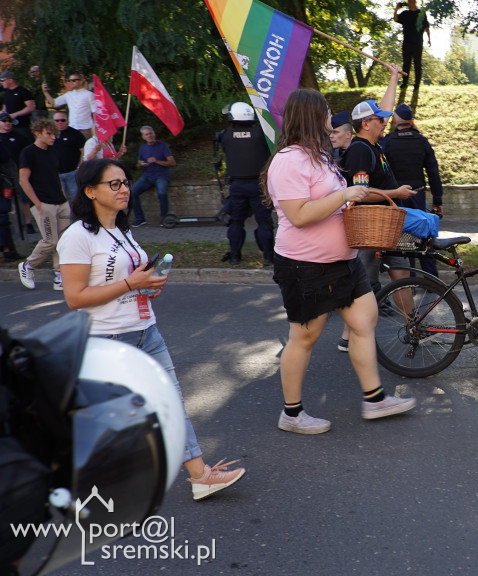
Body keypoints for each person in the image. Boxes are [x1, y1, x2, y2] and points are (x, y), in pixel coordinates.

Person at [56, 158, 246, 500]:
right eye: (114, 184)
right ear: (89, 191)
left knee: (169, 404)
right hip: (109, 339)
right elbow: (75, 297)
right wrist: (131, 283)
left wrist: (146, 286)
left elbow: (127, 280)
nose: (125, 188)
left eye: (126, 182)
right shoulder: (77, 237)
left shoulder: (123, 229)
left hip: (146, 330)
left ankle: (200, 476)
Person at [263, 88, 416, 434]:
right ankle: (291, 414)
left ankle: (375, 400)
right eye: (327, 113)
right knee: (304, 337)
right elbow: (299, 215)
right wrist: (343, 194)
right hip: (305, 266)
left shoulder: (319, 156)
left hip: (342, 260)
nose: (331, 120)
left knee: (365, 320)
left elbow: (328, 202)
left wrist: (346, 202)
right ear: (311, 117)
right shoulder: (289, 161)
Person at [339, 65, 416, 352]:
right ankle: (351, 338)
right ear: (365, 123)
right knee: (364, 283)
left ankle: (412, 326)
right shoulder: (360, 149)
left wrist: (394, 77)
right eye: (379, 120)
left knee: (401, 270)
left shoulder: (374, 144)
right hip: (370, 226)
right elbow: (359, 194)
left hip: (387, 223)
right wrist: (395, 193)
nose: (385, 122)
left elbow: (385, 107)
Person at [380, 102, 444, 277]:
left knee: (403, 240)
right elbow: (433, 172)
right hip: (418, 194)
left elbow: (382, 172)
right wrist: (437, 200)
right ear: (412, 120)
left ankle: (410, 281)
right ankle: (432, 279)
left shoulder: (388, 142)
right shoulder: (422, 141)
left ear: (395, 121)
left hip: (397, 197)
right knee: (424, 237)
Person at [216, 102, 274, 266]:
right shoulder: (260, 133)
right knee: (264, 222)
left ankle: (235, 256)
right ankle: (268, 257)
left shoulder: (226, 135)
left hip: (237, 186)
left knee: (235, 222)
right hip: (259, 186)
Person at [17, 118, 69, 291]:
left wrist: (63, 197)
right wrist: (37, 203)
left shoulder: (53, 152)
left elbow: (55, 176)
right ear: (37, 133)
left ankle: (59, 274)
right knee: (50, 241)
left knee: (63, 241)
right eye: (49, 134)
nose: (53, 137)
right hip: (43, 203)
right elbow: (23, 180)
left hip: (60, 202)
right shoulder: (29, 152)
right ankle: (28, 266)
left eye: (54, 133)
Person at [0, 112, 31, 259]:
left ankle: (9, 250)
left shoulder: (18, 138)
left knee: (6, 217)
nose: (7, 123)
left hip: (8, 182)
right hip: (5, 184)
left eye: (9, 121)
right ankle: (7, 250)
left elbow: (9, 161)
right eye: (3, 121)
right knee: (3, 218)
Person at [131, 125, 175, 227]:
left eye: (151, 133)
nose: (149, 136)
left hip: (161, 176)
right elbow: (138, 164)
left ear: (154, 134)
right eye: (147, 134)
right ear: (143, 137)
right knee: (132, 193)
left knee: (162, 193)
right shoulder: (143, 148)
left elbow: (172, 163)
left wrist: (157, 161)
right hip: (147, 176)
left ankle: (164, 218)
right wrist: (142, 164)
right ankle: (140, 219)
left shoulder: (162, 146)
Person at [42, 72, 95, 139]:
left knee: (85, 148)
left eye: (74, 80)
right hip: (72, 127)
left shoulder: (89, 95)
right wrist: (45, 92)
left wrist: (94, 126)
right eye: (69, 80)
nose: (71, 82)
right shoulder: (69, 95)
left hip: (85, 128)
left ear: (81, 81)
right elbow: (54, 103)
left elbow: (95, 111)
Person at [393, 0, 430, 89]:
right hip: (407, 42)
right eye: (409, 1)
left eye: (411, 1)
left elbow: (426, 26)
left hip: (417, 42)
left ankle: (417, 84)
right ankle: (404, 83)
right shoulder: (405, 13)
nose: (410, 2)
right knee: (406, 63)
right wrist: (396, 9)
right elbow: (396, 19)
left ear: (415, 2)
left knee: (417, 63)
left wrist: (429, 39)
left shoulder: (421, 13)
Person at [51, 111, 86, 198]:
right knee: (59, 198)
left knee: (75, 198)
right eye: (57, 120)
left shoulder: (75, 134)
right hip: (55, 173)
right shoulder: (48, 134)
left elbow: (83, 151)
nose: (60, 122)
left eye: (63, 120)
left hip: (72, 173)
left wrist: (79, 166)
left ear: (67, 120)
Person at [0, 71, 36, 139]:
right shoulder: (6, 94)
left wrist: (15, 114)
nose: (1, 82)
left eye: (2, 80)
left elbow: (31, 107)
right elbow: (4, 109)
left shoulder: (23, 91)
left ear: (10, 80)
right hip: (9, 126)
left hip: (22, 126)